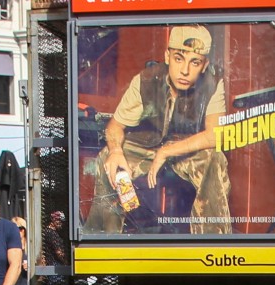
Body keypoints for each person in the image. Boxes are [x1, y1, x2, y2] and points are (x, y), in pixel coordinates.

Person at [84, 24, 231, 235]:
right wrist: (116, 151)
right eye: (179, 58)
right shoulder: (145, 80)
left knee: (215, 159)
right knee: (108, 157)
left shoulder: (213, 84)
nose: (185, 70)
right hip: (145, 145)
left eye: (195, 62)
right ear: (167, 56)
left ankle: (212, 244)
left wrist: (167, 151)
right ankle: (105, 242)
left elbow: (216, 135)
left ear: (204, 65)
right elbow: (115, 126)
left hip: (185, 148)